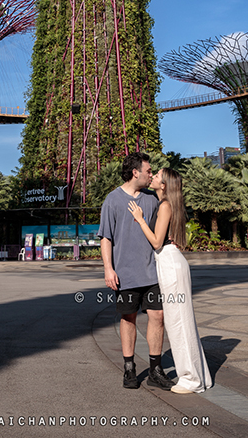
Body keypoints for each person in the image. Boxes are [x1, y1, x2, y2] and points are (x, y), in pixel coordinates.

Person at [128, 168, 212, 394]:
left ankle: (191, 380)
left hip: (169, 263)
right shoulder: (165, 204)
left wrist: (140, 220)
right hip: (170, 262)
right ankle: (198, 376)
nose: (153, 177)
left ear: (164, 185)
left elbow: (157, 242)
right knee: (181, 321)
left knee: (178, 323)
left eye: (157, 176)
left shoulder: (165, 205)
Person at [98, 152, 174, 390]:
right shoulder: (112, 200)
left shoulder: (152, 199)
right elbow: (106, 238)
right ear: (135, 172)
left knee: (157, 316)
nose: (151, 175)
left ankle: (155, 370)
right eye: (148, 171)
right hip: (125, 274)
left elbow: (161, 229)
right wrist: (108, 269)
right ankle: (129, 368)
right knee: (128, 318)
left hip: (152, 272)